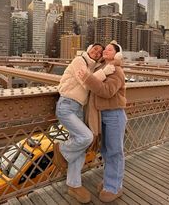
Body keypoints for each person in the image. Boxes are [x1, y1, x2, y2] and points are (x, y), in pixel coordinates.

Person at [53, 43, 115, 203]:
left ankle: (74, 185)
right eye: (95, 49)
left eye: (100, 52)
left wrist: (101, 72)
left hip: (79, 109)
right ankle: (62, 149)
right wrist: (105, 72)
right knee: (87, 137)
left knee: (80, 149)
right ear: (88, 50)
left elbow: (94, 83)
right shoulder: (79, 61)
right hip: (66, 106)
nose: (97, 52)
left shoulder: (93, 68)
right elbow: (87, 82)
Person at [78, 40, 127, 203]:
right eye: (105, 49)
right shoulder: (102, 68)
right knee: (106, 151)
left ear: (117, 54)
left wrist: (88, 79)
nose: (106, 51)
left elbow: (107, 91)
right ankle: (109, 181)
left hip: (114, 115)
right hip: (102, 114)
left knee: (114, 152)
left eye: (110, 49)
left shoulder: (117, 70)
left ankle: (114, 187)